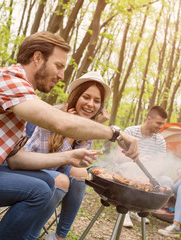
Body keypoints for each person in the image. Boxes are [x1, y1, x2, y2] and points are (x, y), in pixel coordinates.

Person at [0, 31, 139, 240]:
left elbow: (17, 159)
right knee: (39, 190)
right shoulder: (8, 79)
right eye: (59, 66)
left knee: (47, 182)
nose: (62, 76)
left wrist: (68, 157)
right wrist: (115, 133)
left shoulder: (19, 98)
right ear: (38, 58)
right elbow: (59, 122)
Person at [23, 71, 111, 240]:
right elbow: (46, 165)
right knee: (61, 179)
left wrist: (92, 126)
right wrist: (69, 134)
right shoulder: (53, 115)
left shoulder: (86, 125)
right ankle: (29, 236)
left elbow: (79, 164)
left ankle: (59, 237)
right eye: (86, 97)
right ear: (76, 96)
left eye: (97, 101)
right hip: (31, 168)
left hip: (57, 175)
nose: (91, 104)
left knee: (80, 173)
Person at [114, 106, 172, 228]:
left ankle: (138, 209)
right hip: (125, 170)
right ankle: (126, 212)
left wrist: (152, 165)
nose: (161, 127)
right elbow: (118, 158)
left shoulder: (160, 141)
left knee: (167, 181)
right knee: (131, 167)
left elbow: (160, 168)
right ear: (149, 118)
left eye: (163, 124)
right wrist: (137, 160)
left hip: (146, 173)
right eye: (158, 123)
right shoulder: (130, 132)